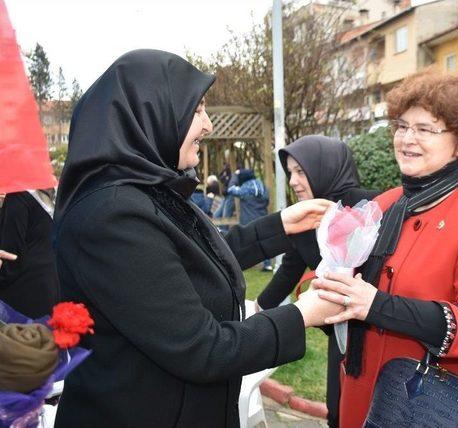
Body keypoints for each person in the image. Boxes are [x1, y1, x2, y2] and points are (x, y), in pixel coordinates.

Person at [51, 49, 342, 428]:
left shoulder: (148, 192)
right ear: (151, 113)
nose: (207, 124)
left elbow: (195, 265)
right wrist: (300, 315)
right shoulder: (111, 215)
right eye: (197, 109)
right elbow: (201, 348)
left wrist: (280, 225)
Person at [312, 69, 458, 427]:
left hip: (438, 407)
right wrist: (323, 284)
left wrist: (378, 306)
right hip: (364, 398)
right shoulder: (384, 204)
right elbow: (336, 273)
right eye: (401, 126)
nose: (406, 138)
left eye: (424, 129)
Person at [255, 135, 380, 427]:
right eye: (290, 173)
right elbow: (289, 270)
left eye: (301, 171)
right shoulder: (308, 218)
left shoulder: (372, 205)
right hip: (338, 333)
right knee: (338, 412)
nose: (294, 181)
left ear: (324, 168)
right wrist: (257, 312)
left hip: (380, 330)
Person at [0, 189, 59, 318]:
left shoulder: (17, 196)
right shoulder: (46, 198)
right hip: (47, 285)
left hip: (20, 291)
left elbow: (11, 254)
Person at [227, 168, 272, 271]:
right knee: (264, 241)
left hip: (248, 221)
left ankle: (241, 264)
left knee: (244, 242)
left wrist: (234, 175)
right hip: (262, 217)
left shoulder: (246, 187)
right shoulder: (261, 185)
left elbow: (231, 189)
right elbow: (267, 200)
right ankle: (268, 265)